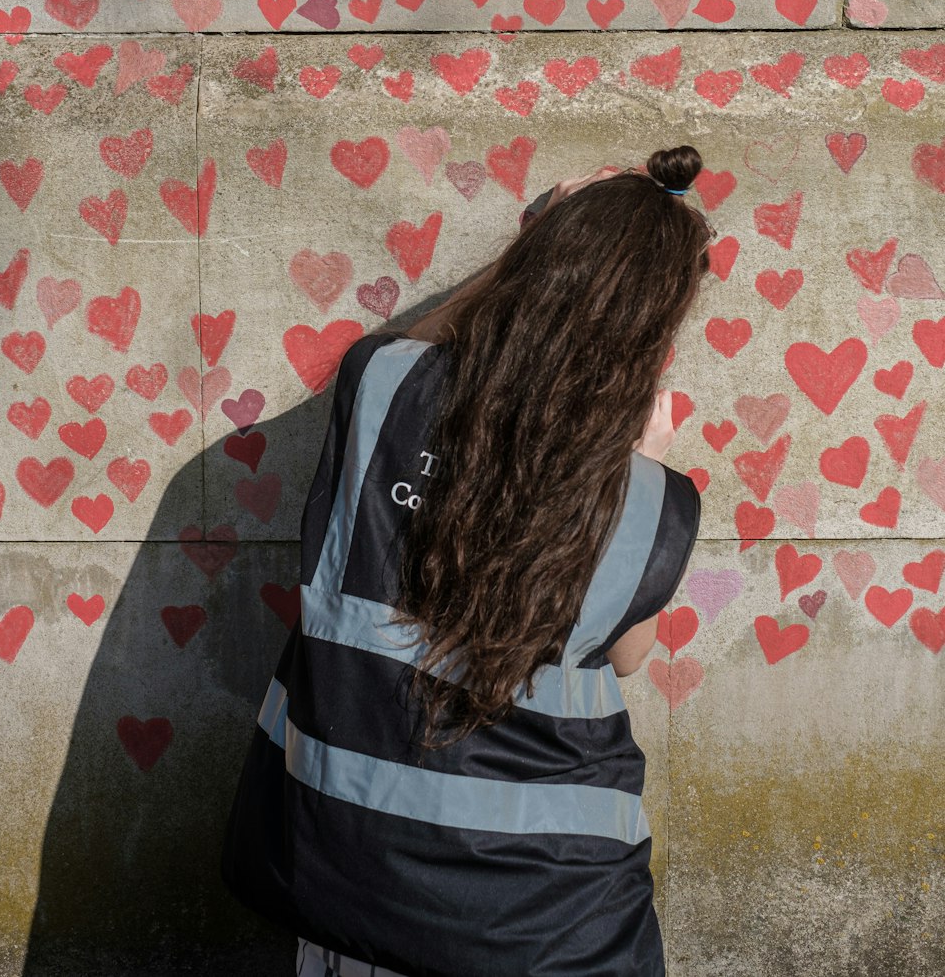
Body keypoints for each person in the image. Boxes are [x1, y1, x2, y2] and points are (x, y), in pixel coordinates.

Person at [222, 144, 714, 977]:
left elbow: (425, 346)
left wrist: (539, 236)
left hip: (346, 876)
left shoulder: (380, 387)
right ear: (653, 337)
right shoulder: (649, 497)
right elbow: (627, 657)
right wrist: (634, 465)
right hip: (556, 926)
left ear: (533, 266)